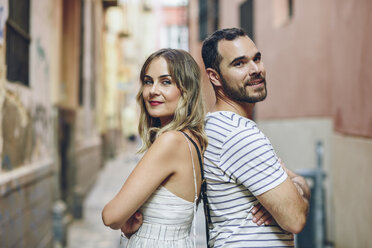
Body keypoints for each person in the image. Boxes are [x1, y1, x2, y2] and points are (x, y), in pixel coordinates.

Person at [201, 27, 311, 247]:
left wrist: (293, 189)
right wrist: (296, 187)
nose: (255, 69)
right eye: (239, 63)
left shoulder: (212, 125)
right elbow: (296, 218)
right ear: (215, 76)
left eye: (257, 59)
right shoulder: (239, 134)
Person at [102, 48, 208, 247]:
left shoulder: (171, 141)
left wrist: (123, 219)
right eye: (148, 81)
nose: (152, 91)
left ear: (187, 89)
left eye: (166, 82)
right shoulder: (192, 139)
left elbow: (111, 215)